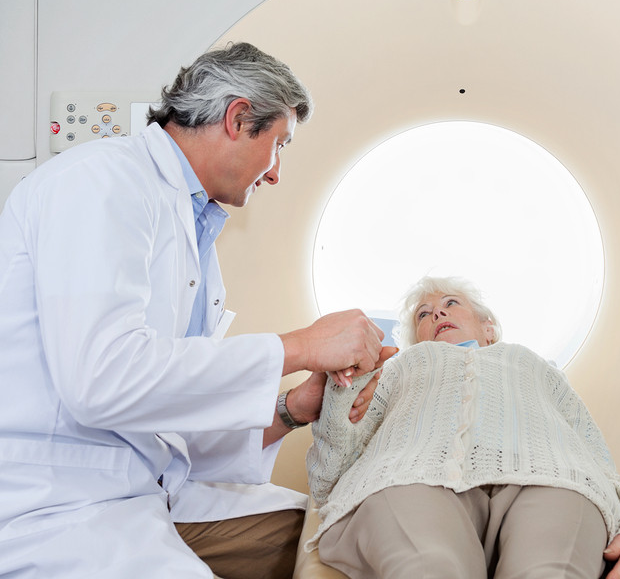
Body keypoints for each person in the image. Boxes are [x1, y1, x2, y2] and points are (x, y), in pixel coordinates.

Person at [0, 42, 393, 579]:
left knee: (339, 534)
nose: (276, 173)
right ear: (238, 118)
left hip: (146, 487)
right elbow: (102, 380)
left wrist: (293, 408)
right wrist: (301, 346)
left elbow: (174, 421)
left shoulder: (194, 230)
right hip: (57, 499)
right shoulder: (102, 182)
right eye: (279, 144)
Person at [305, 276, 620, 579]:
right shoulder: (397, 368)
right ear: (417, 340)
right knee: (427, 568)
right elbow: (327, 478)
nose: (437, 313)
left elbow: (596, 458)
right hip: (409, 477)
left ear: (488, 327)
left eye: (451, 303)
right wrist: (341, 387)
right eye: (424, 314)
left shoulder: (534, 363)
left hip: (554, 478)